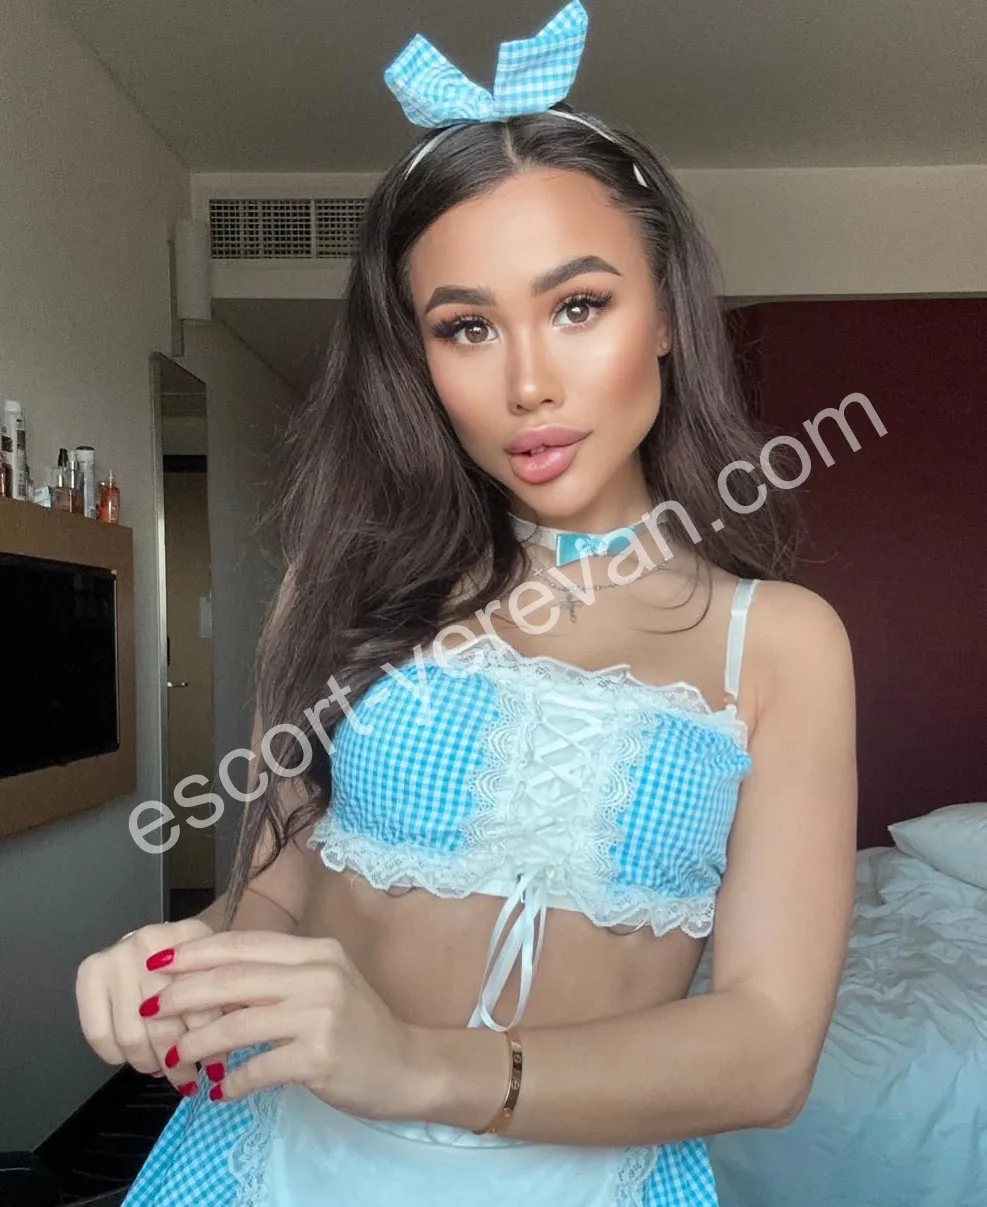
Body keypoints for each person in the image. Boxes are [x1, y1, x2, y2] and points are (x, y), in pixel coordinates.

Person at [75, 3, 857, 1204]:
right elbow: (278, 887)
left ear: (664, 315)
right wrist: (189, 968)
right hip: (283, 1162)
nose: (529, 382)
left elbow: (767, 1048)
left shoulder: (782, 643)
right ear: (420, 358)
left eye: (579, 305)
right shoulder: (345, 584)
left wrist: (419, 1065)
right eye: (467, 326)